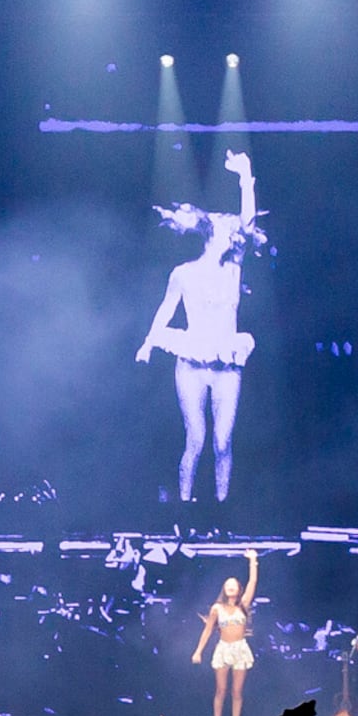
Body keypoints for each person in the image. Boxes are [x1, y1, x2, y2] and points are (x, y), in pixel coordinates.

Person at [135, 150, 260, 507]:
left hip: (226, 365)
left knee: (223, 441)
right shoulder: (184, 274)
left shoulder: (234, 268)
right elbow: (166, 310)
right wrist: (147, 344)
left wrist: (244, 175)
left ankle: (221, 505)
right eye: (225, 230)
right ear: (209, 236)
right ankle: (186, 507)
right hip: (192, 363)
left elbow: (248, 224)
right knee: (196, 439)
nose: (233, 234)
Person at [192, 550, 264, 716]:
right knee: (221, 689)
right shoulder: (217, 608)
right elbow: (207, 630)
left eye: (234, 585)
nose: (230, 587)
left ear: (238, 589)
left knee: (237, 691)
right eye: (227, 585)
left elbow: (253, 583)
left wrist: (253, 561)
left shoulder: (243, 605)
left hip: (240, 648)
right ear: (223, 589)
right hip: (224, 648)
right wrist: (198, 651)